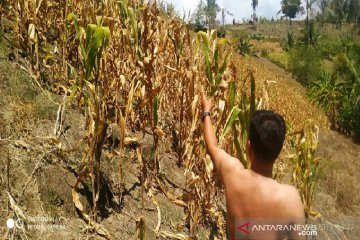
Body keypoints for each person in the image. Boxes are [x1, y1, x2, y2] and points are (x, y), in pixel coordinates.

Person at [201, 91, 305, 240]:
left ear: (248, 146)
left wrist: (206, 111)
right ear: (279, 151)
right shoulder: (290, 199)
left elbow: (212, 147)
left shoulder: (231, 171)